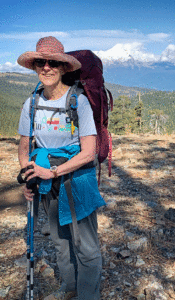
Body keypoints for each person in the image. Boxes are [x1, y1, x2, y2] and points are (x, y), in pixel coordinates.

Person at [17, 36, 106, 300]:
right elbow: (24, 147)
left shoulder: (78, 102)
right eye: (40, 62)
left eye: (53, 62)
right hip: (45, 183)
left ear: (63, 67)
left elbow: (89, 152)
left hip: (77, 180)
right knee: (59, 241)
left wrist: (53, 172)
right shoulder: (31, 103)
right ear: (35, 66)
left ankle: (88, 296)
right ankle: (70, 289)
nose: (46, 67)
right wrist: (29, 176)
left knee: (86, 247)